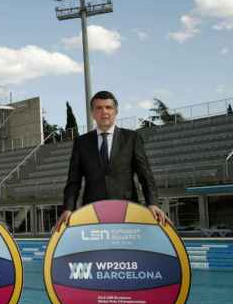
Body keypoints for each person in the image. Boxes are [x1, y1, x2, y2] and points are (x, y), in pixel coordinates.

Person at [56, 91, 170, 231]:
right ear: (92, 113)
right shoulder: (81, 142)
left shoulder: (131, 138)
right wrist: (68, 208)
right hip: (92, 213)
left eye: (108, 107)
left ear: (116, 111)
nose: (104, 111)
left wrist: (152, 203)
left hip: (127, 211)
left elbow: (145, 175)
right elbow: (73, 181)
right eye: (99, 108)